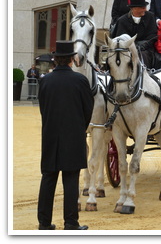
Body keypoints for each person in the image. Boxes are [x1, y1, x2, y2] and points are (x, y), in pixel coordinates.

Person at [37, 41, 94, 230]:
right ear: (72, 59)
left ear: (55, 59)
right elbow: (88, 110)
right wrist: (79, 127)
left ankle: (44, 223)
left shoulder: (45, 81)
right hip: (74, 135)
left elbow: (43, 109)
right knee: (71, 180)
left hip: (50, 135)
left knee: (48, 178)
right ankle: (71, 222)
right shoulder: (80, 81)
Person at [113, 0, 158, 68]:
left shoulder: (150, 17)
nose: (145, 10)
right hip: (126, 50)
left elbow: (153, 35)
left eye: (145, 7)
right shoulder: (122, 21)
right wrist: (132, 47)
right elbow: (120, 38)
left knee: (142, 55)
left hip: (145, 49)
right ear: (134, 9)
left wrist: (142, 46)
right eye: (142, 8)